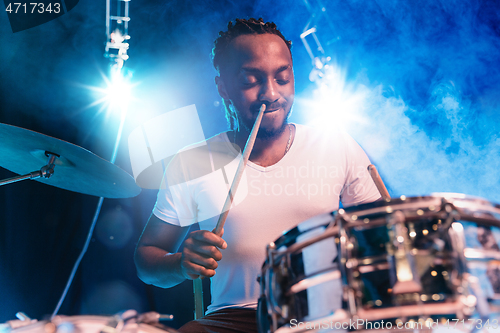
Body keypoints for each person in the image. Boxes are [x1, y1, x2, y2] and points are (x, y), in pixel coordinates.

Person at [134, 18, 381, 332]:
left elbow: (380, 235)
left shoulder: (336, 144)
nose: (271, 93)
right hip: (235, 320)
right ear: (223, 86)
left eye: (282, 77)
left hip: (327, 315)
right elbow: (146, 259)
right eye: (252, 80)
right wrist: (181, 263)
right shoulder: (193, 162)